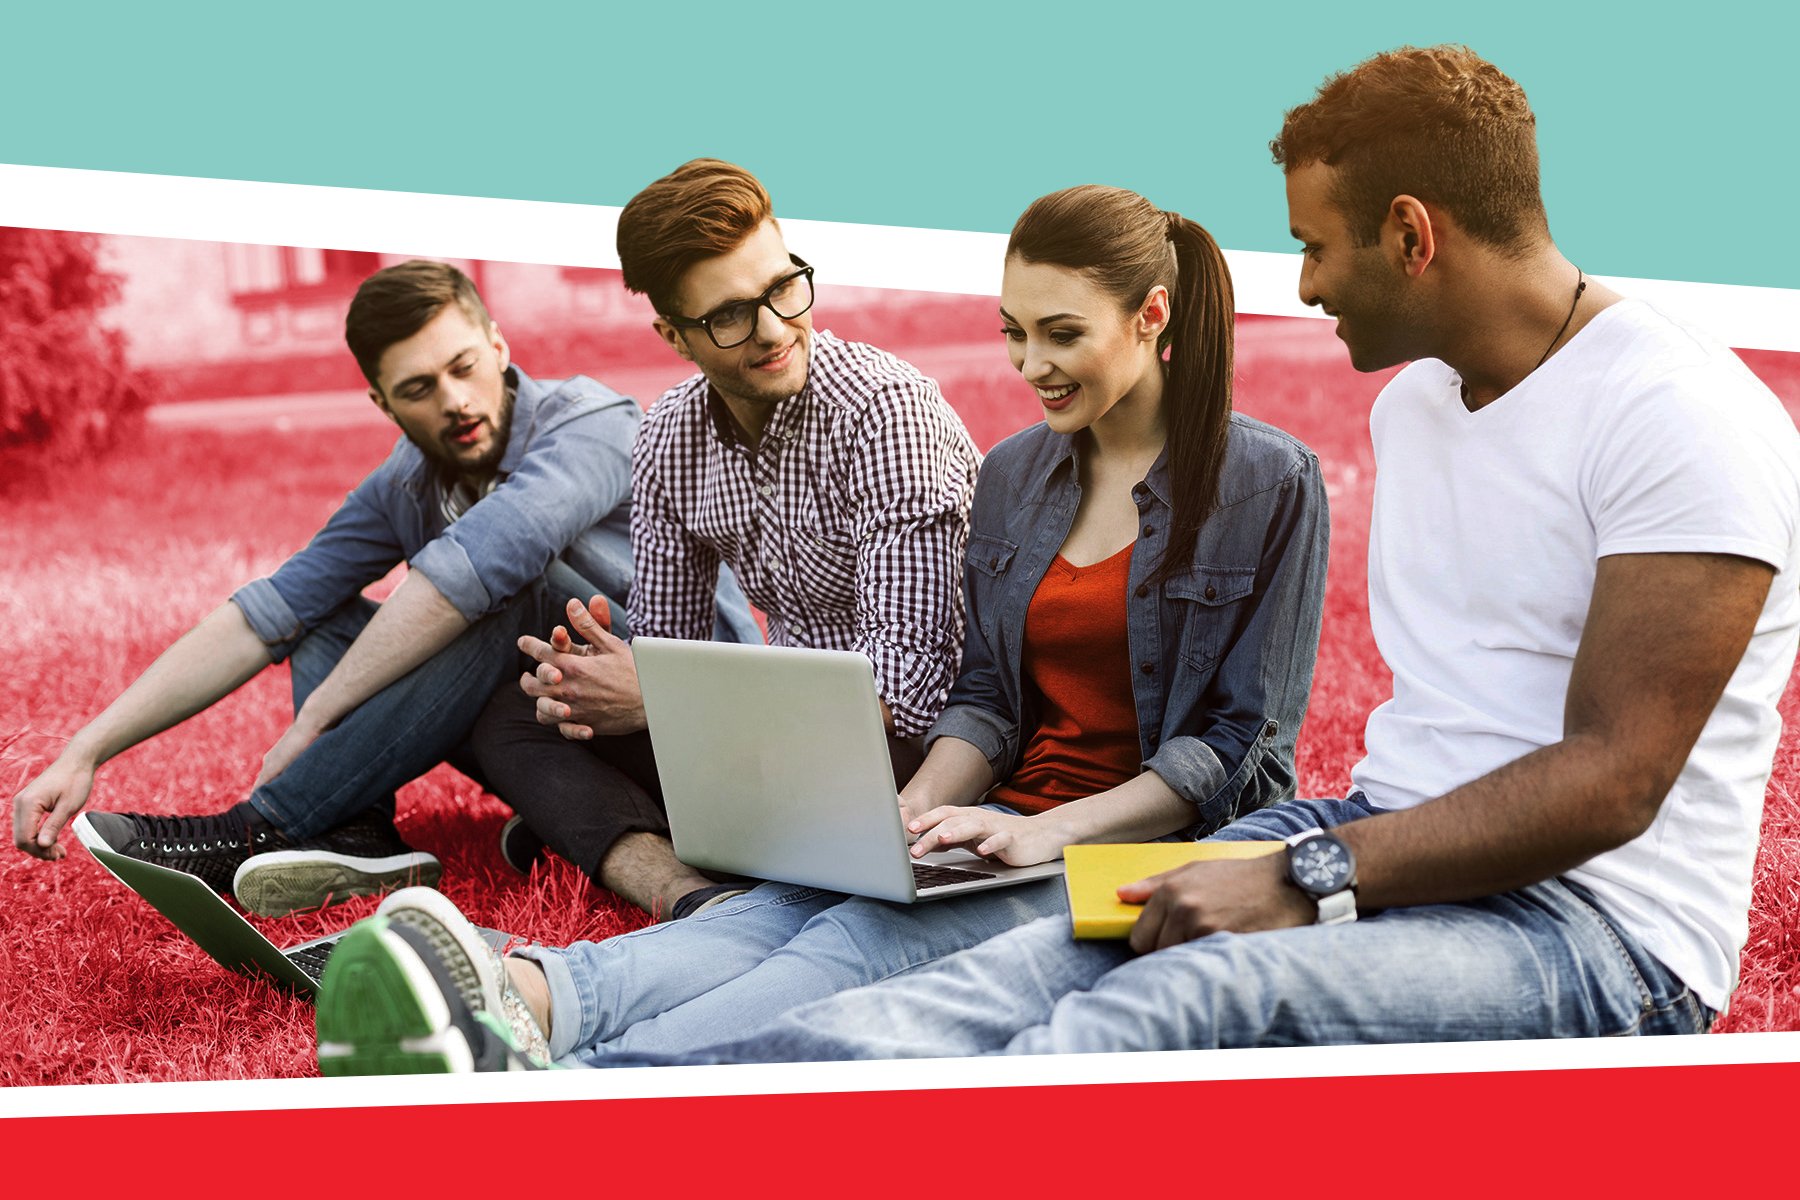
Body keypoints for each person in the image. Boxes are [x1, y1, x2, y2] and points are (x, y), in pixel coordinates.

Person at [516, 43, 1797, 1062]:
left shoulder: (1681, 418)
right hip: (1388, 832)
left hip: (1596, 928)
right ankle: (603, 1095)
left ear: (1413, 234)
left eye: (1318, 244)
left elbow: (1612, 785)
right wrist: (1314, 855)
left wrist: (1304, 873)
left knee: (1162, 1006)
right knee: (1021, 958)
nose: (1302, 286)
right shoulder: (1416, 406)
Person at [309, 182, 1332, 1074]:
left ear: (1153, 316)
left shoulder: (1266, 483)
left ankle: (590, 1079)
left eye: (1060, 335)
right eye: (1015, 332)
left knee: (846, 952)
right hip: (996, 808)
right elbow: (985, 699)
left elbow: (1239, 750)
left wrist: (1040, 832)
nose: (1031, 364)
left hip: (1144, 845)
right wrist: (923, 815)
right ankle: (528, 995)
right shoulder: (1022, 474)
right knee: (786, 906)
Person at [10, 259, 750, 917]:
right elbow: (268, 612)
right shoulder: (405, 485)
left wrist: (316, 719)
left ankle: (266, 825)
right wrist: (87, 749)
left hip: (700, 725)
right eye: (420, 389)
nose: (456, 400)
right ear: (383, 403)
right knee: (326, 618)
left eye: (464, 366)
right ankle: (356, 830)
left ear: (498, 345)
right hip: (555, 725)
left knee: (515, 597)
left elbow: (482, 564)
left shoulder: (594, 424)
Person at [460, 159, 983, 920]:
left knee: (749, 756)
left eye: (782, 288)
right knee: (518, 713)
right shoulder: (670, 434)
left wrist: (659, 700)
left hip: (916, 749)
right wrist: (607, 684)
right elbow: (668, 643)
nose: (774, 330)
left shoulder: (886, 413)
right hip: (780, 734)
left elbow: (906, 692)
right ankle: (688, 892)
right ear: (674, 334)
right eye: (731, 315)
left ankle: (631, 826)